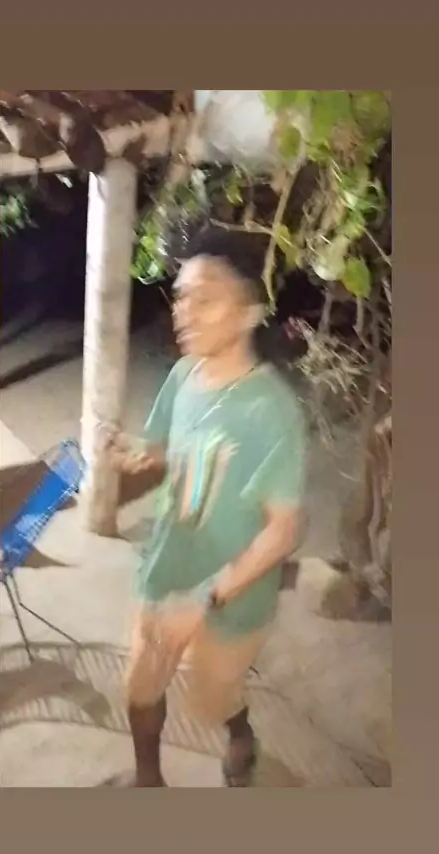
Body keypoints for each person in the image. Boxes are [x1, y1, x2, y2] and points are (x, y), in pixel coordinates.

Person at [105, 228, 307, 787]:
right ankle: (149, 783)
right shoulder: (182, 375)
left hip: (231, 595)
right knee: (140, 685)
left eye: (206, 298)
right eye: (181, 297)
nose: (184, 312)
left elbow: (282, 532)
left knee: (213, 697)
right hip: (166, 566)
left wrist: (205, 599)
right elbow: (166, 447)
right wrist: (135, 454)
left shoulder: (272, 410)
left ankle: (240, 731)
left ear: (248, 314)